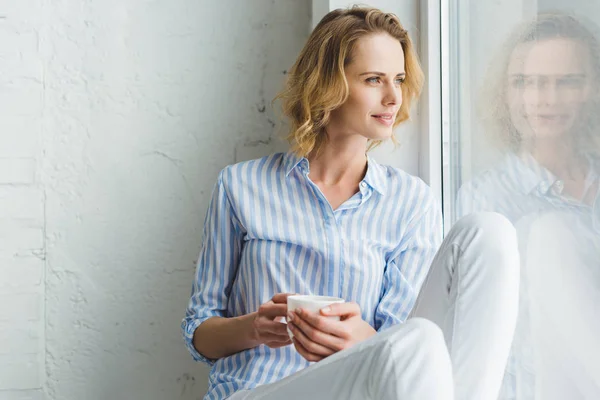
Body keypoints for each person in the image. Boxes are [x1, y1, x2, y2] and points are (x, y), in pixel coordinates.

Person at [183, 6, 520, 400]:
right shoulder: (241, 185)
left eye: (398, 79)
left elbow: (408, 348)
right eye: (374, 79)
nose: (393, 97)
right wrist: (255, 327)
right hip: (259, 390)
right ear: (327, 83)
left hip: (360, 386)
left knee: (487, 233)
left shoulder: (411, 202)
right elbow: (199, 332)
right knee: (419, 340)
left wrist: (360, 338)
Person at [457, 12, 600, 400]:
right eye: (528, 83)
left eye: (566, 82)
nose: (545, 99)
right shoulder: (483, 201)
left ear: (591, 89)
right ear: (508, 93)